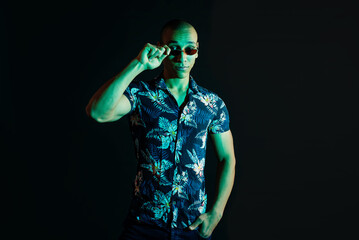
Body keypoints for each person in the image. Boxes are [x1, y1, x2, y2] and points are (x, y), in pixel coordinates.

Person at [86, 19, 236, 240]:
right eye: (174, 49)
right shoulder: (141, 95)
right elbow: (98, 112)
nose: (182, 57)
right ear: (162, 49)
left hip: (192, 226)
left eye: (190, 49)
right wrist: (138, 64)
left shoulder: (212, 104)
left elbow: (227, 158)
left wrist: (216, 213)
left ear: (197, 51)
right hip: (144, 224)